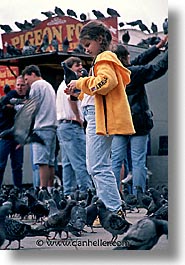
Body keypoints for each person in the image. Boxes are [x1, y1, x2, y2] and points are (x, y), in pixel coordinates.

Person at [65, 20, 135, 214]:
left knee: (97, 166)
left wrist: (80, 82)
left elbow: (106, 82)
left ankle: (113, 210)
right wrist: (78, 91)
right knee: (97, 166)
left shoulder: (104, 57)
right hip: (95, 115)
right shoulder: (103, 60)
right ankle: (110, 209)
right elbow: (97, 92)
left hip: (97, 117)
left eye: (88, 44)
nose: (86, 50)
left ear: (100, 39)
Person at [111, 36, 168, 195]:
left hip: (120, 123)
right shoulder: (132, 73)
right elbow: (158, 68)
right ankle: (139, 197)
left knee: (115, 162)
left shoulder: (114, 74)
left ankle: (114, 197)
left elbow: (139, 61)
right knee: (138, 163)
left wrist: (158, 47)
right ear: (125, 57)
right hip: (138, 123)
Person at [56, 56, 93, 196]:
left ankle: (68, 194)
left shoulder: (61, 84)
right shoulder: (71, 82)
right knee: (81, 161)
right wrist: (79, 117)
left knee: (68, 164)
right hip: (72, 125)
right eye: (77, 65)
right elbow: (72, 99)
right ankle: (87, 193)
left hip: (63, 126)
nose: (80, 68)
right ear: (70, 68)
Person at [22, 65, 57, 194]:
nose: (26, 83)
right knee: (50, 162)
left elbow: (32, 108)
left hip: (41, 126)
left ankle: (42, 191)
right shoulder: (48, 86)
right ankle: (50, 189)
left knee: (41, 161)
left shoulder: (36, 86)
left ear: (33, 74)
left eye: (26, 79)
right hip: (52, 126)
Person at [0, 76, 28, 189]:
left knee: (17, 166)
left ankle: (18, 190)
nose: (20, 87)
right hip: (5, 136)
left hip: (18, 137)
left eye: (22, 85)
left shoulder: (29, 98)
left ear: (26, 86)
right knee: (1, 165)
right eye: (18, 85)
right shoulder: (9, 96)